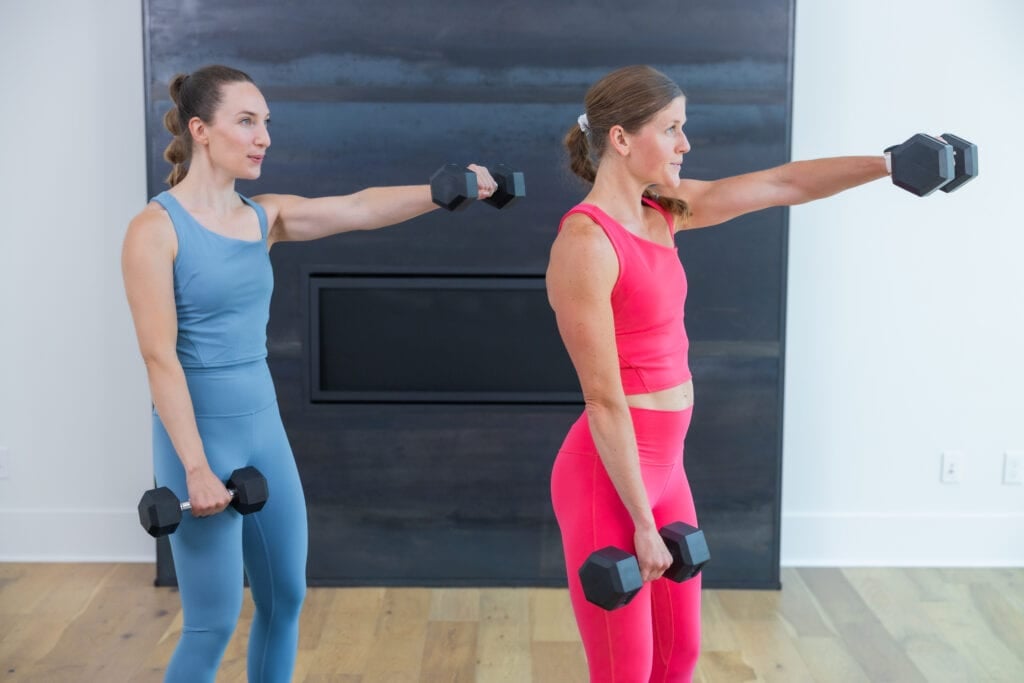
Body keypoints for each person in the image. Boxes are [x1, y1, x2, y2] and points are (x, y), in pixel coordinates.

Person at [121, 64, 499, 682]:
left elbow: (356, 208)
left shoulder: (262, 217)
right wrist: (195, 467)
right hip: (196, 438)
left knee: (286, 598)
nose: (263, 135)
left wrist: (441, 190)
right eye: (247, 121)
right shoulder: (153, 230)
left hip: (262, 430)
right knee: (211, 622)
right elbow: (159, 357)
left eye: (266, 122)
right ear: (201, 130)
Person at [546, 64, 894, 682]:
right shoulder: (585, 243)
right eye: (672, 128)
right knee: (624, 670)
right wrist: (645, 527)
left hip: (667, 467)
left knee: (676, 658)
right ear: (622, 139)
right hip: (609, 480)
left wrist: (890, 165)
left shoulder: (665, 212)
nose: (685, 143)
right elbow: (603, 400)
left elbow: (783, 183)